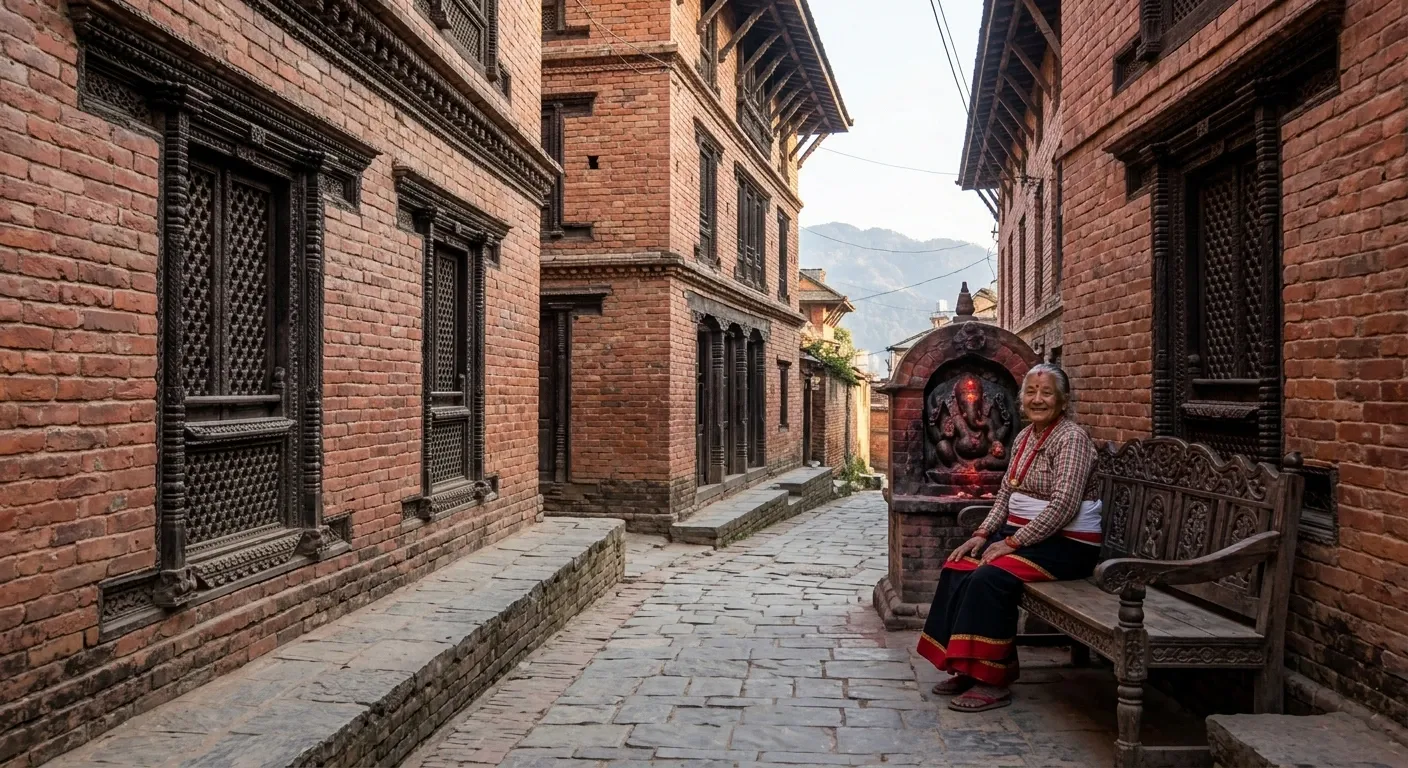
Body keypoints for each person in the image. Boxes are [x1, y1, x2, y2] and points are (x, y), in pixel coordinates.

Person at [916, 363, 1102, 712]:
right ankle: (966, 666)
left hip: (1067, 544)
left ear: (1063, 401)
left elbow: (1063, 505)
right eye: (1031, 392)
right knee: (960, 565)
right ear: (1021, 401)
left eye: (1047, 393)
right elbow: (1006, 493)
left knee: (991, 578)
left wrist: (1012, 543)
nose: (1038, 399)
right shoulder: (1024, 437)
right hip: (1028, 537)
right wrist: (983, 534)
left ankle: (993, 680)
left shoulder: (1071, 439)